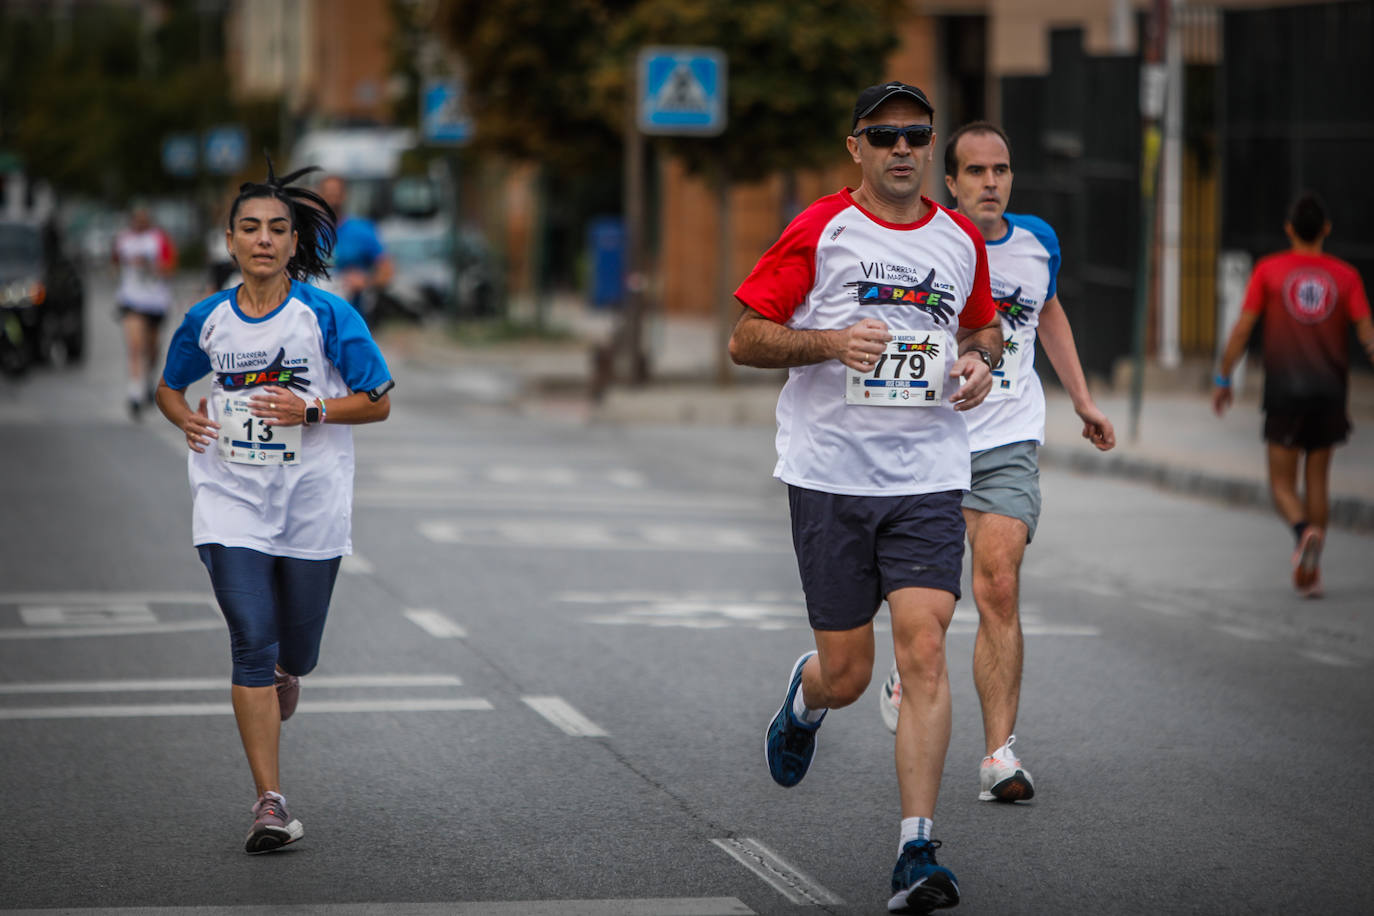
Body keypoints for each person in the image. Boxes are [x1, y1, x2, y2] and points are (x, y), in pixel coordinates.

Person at [730, 81, 1002, 914]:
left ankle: (916, 849)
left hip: (926, 477)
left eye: (916, 135)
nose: (902, 149)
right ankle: (807, 699)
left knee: (923, 651)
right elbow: (744, 337)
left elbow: (983, 326)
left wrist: (980, 362)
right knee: (850, 673)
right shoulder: (821, 228)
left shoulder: (960, 238)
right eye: (883, 136)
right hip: (830, 479)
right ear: (857, 147)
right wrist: (829, 341)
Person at [155, 158, 395, 854]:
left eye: (278, 229)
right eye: (250, 228)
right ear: (229, 241)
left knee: (298, 651)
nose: (264, 239)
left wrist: (312, 406)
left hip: (311, 501)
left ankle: (291, 671)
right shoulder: (204, 319)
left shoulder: (326, 314)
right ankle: (270, 802)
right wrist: (184, 420)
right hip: (230, 497)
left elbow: (378, 402)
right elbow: (171, 387)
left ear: (295, 243)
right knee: (248, 642)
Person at [875, 122, 1116, 805]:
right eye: (975, 171)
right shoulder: (927, 240)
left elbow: (1048, 314)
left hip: (1009, 435)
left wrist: (1083, 400)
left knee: (999, 585)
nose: (990, 182)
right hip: (930, 438)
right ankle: (907, 667)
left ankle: (998, 756)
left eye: (1001, 170)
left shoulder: (1039, 241)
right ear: (949, 181)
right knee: (931, 604)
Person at [1212, 191, 1373, 598]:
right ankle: (1313, 568)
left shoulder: (1269, 271)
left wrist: (1224, 377)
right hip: (1330, 392)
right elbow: (1369, 337)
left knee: (1282, 483)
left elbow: (1243, 330)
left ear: (1289, 229)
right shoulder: (1347, 277)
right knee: (1317, 477)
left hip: (1284, 392)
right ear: (1327, 230)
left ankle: (1303, 533)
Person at [113, 205, 177, 418]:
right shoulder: (123, 239)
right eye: (136, 218)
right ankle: (135, 393)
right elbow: (114, 263)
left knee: (151, 348)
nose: (139, 221)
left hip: (156, 301)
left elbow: (169, 268)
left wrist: (151, 266)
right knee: (135, 346)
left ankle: (147, 380)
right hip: (131, 300)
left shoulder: (158, 238)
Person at [316, 174, 393, 325]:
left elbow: (387, 271)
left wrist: (366, 281)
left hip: (352, 320)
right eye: (328, 194)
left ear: (344, 196)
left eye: (336, 194)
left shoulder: (362, 230)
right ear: (319, 196)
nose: (332, 200)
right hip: (316, 322)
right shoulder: (308, 233)